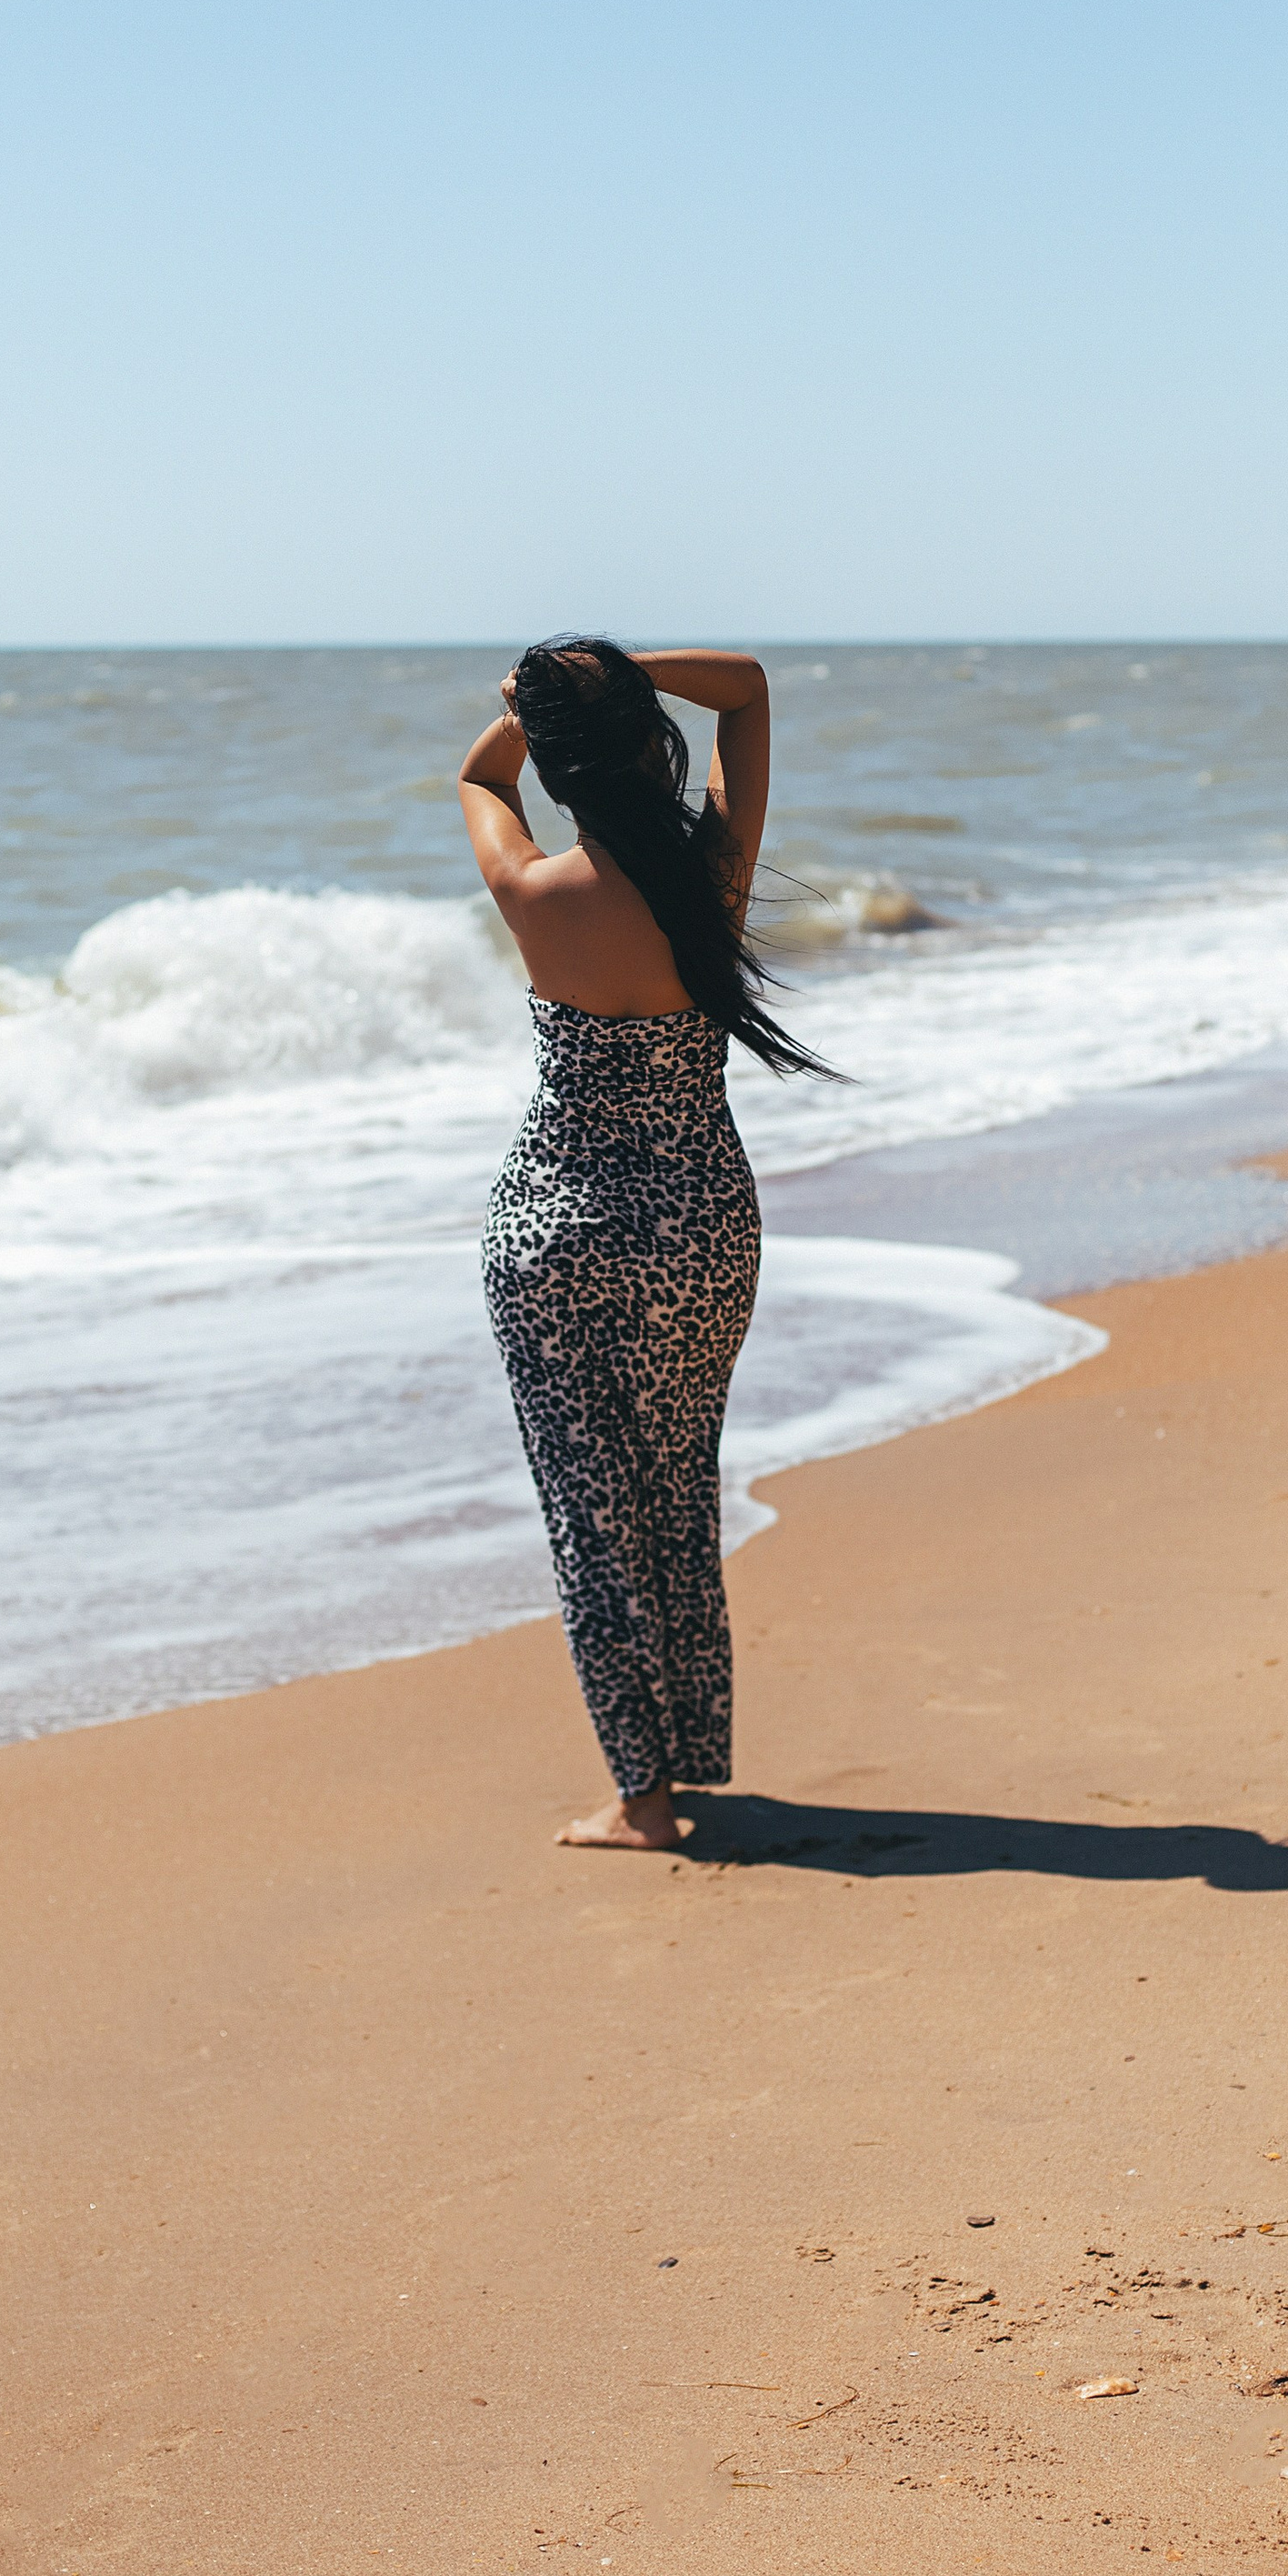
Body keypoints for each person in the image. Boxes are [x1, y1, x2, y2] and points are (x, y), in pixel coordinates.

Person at [457, 638, 835, 1850]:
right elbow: (747, 686)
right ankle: (684, 1757)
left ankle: (645, 1797)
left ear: (566, 769)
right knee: (676, 1489)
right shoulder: (712, 872)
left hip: (556, 1233)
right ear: (648, 741)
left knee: (592, 1516)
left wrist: (535, 711)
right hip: (699, 1228)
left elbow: (477, 777)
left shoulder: (533, 891)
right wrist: (612, 666)